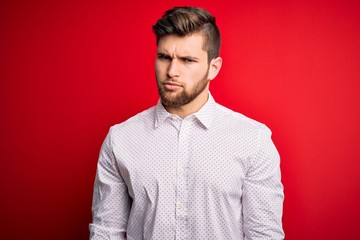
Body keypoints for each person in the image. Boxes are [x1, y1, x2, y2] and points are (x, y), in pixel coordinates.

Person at [89, 6, 284, 240]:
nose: (172, 71)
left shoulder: (252, 140)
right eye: (164, 57)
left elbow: (263, 235)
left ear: (214, 68)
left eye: (187, 60)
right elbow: (106, 233)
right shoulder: (121, 139)